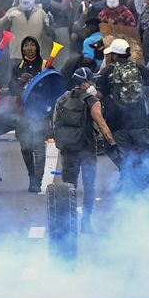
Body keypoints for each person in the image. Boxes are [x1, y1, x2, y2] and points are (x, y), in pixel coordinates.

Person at [52, 67, 116, 233]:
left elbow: (55, 122)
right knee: (89, 186)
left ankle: (69, 223)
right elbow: (101, 124)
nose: (93, 84)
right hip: (86, 148)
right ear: (86, 83)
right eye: (92, 81)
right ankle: (86, 222)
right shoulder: (92, 101)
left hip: (68, 149)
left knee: (69, 187)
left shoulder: (62, 99)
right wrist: (113, 143)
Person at [96, 38, 149, 192]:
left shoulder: (108, 72)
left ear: (115, 55)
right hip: (140, 121)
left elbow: (100, 95)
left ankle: (129, 184)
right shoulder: (139, 68)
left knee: (125, 155)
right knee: (146, 151)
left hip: (117, 122)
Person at [9, 36, 47, 192]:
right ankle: (32, 175)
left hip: (40, 114)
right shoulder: (17, 67)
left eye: (32, 45)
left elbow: (52, 87)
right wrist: (19, 83)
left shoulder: (45, 65)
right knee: (25, 148)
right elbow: (12, 90)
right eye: (26, 45)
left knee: (39, 149)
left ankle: (37, 181)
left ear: (37, 48)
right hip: (22, 114)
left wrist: (36, 82)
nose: (29, 48)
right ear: (22, 49)